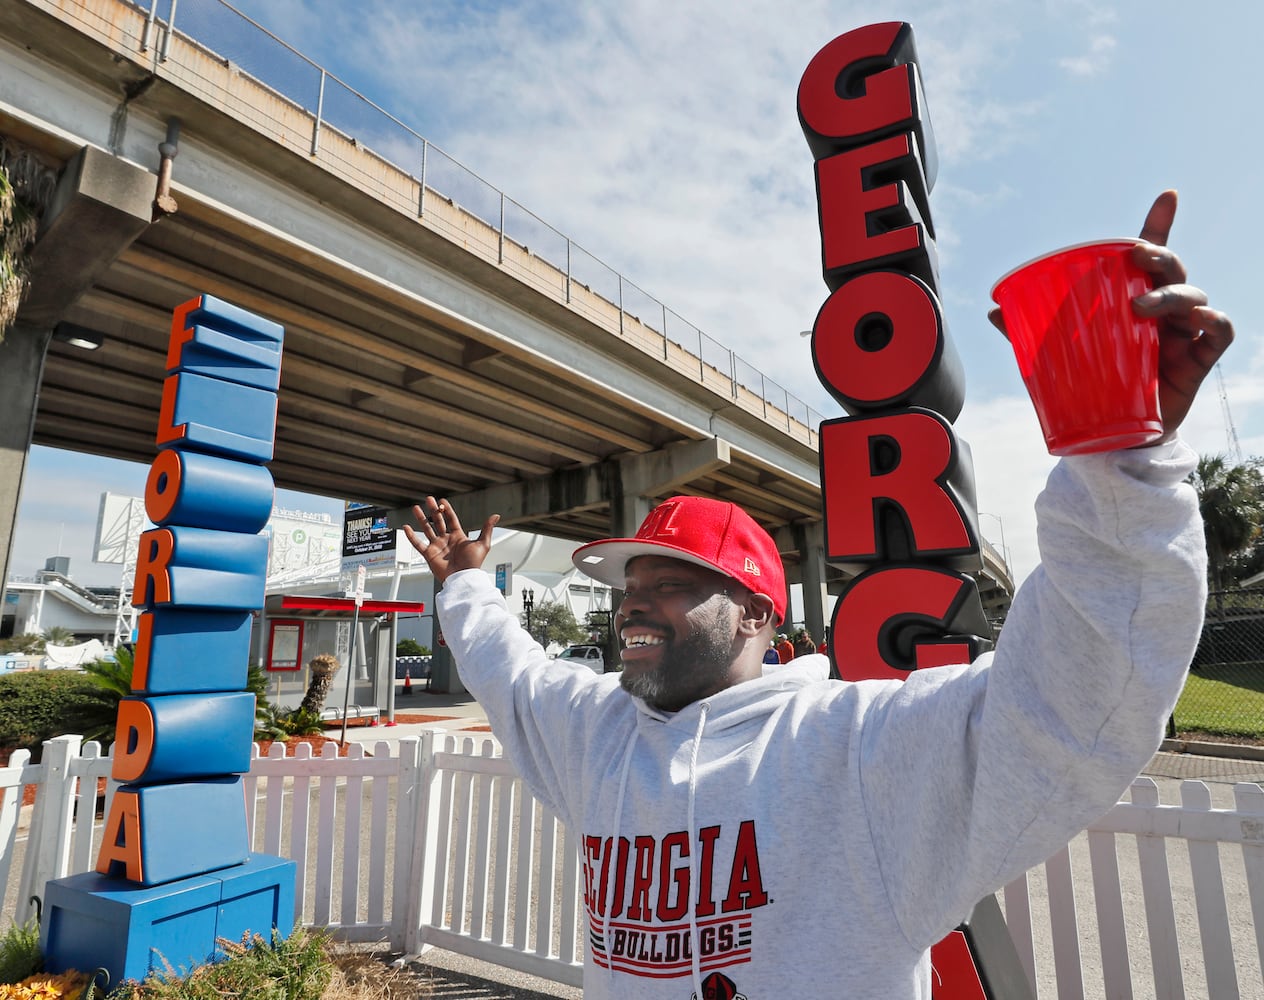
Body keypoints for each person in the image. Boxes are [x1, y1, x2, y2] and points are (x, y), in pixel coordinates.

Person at [404, 191, 1232, 999]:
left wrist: (1121, 459)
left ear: (759, 614)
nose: (632, 604)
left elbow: (1068, 697)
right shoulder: (596, 737)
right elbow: (510, 672)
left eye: (671, 584)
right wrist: (466, 584)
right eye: (630, 585)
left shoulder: (858, 752)